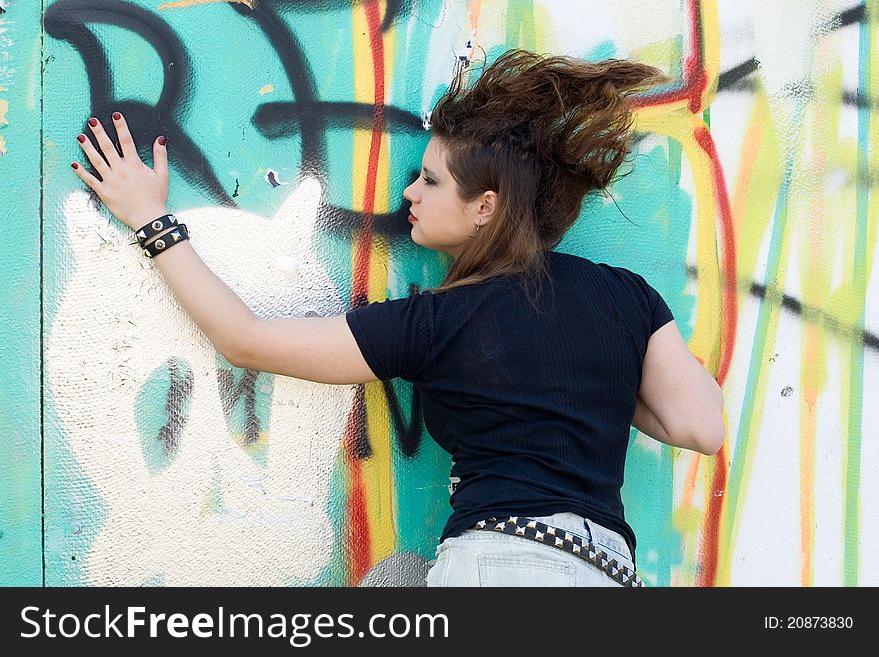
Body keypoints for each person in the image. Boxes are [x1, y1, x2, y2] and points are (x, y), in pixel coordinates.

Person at [70, 48, 725, 587]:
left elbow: (245, 340)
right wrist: (596, 376)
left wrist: (152, 221)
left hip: (498, 569)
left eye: (431, 180)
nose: (409, 192)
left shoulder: (440, 321)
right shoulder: (625, 298)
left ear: (485, 207)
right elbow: (699, 424)